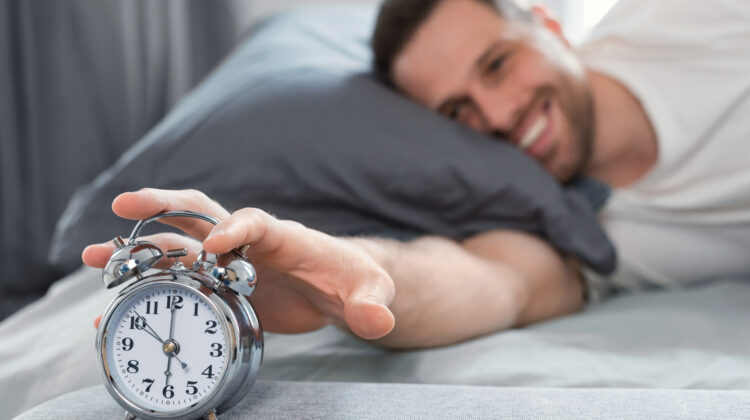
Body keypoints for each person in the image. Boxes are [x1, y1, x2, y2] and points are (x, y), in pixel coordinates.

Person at [84, 0, 750, 349]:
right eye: (457, 111)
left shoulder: (691, 16)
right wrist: (334, 277)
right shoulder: (559, 233)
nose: (498, 115)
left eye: (498, 64)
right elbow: (486, 284)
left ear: (549, 24)